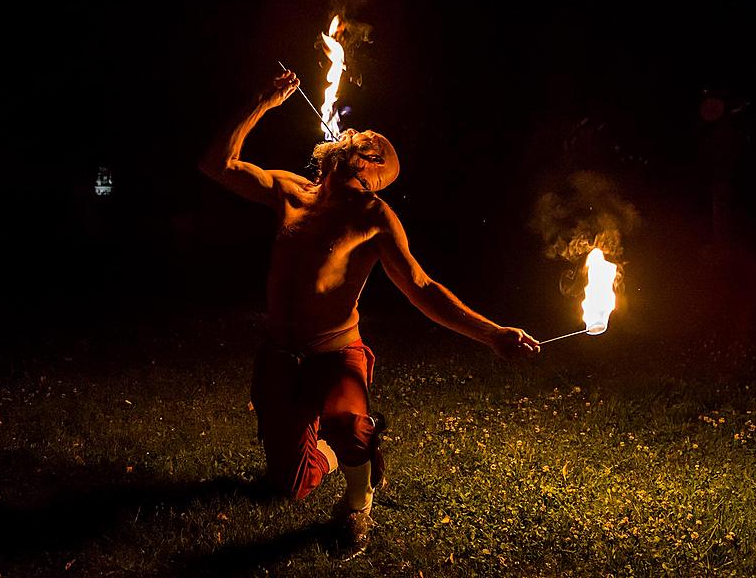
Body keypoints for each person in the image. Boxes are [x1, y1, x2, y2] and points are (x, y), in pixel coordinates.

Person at [199, 70, 540, 556]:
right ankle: (339, 446)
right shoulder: (292, 190)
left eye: (363, 137)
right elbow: (216, 164)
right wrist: (261, 101)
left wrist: (492, 334)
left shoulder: (374, 216)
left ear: (370, 162)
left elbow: (422, 286)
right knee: (289, 486)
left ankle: (358, 501)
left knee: (344, 421)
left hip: (335, 355)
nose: (349, 131)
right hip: (278, 358)